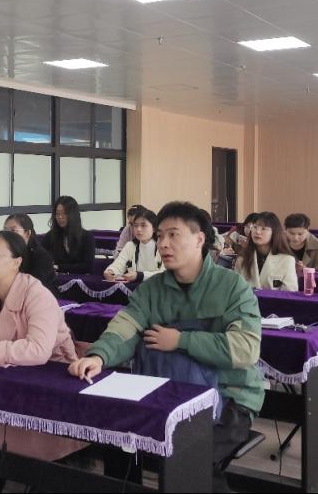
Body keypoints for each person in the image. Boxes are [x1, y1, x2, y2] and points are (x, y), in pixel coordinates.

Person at [69, 201, 263, 492]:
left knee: (189, 457)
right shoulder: (151, 289)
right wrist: (99, 356)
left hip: (230, 396)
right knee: (117, 437)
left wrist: (180, 340)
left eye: (173, 235)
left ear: (199, 239)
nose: (163, 244)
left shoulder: (232, 287)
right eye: (160, 236)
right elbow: (126, 326)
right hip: (165, 391)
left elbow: (245, 348)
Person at [0, 231, 84, 463]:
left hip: (49, 386)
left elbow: (38, 350)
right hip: (6, 379)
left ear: (16, 262)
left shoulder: (37, 294)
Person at [234, 212, 297, 291]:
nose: (257, 232)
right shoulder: (242, 257)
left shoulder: (287, 260)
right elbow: (235, 287)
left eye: (263, 229)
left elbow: (290, 292)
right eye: (255, 227)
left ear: (274, 232)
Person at [104, 207, 163, 283]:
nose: (138, 229)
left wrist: (140, 276)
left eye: (143, 225)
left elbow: (165, 273)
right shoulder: (130, 246)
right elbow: (118, 264)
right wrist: (111, 271)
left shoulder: (162, 247)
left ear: (154, 228)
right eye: (135, 225)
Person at [42, 196, 95, 274]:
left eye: (64, 213)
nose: (60, 217)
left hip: (80, 279)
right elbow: (41, 257)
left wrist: (59, 267)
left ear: (73, 215)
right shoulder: (50, 236)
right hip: (57, 279)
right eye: (57, 214)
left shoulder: (87, 237)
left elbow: (87, 266)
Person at [3, 214, 57, 291]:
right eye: (5, 230)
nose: (8, 235)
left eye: (13, 230)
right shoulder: (5, 253)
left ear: (27, 233)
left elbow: (35, 286)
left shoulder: (41, 256)